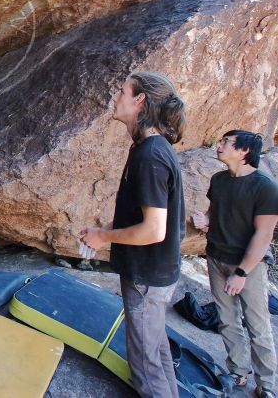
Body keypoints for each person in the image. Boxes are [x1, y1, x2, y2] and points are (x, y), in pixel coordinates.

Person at [82, 72, 187, 398]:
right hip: (154, 275)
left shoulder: (151, 155)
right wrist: (105, 231)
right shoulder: (150, 148)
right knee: (157, 354)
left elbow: (154, 230)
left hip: (147, 278)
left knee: (146, 366)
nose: (115, 96)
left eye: (122, 91)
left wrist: (103, 237)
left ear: (139, 100)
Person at [191, 130, 278, 398]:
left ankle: (268, 384)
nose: (219, 146)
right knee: (227, 319)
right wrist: (205, 221)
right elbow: (213, 212)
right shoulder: (219, 180)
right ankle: (238, 372)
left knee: (257, 325)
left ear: (243, 151)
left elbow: (263, 235)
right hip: (217, 257)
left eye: (226, 143)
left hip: (247, 265)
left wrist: (241, 273)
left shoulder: (266, 187)